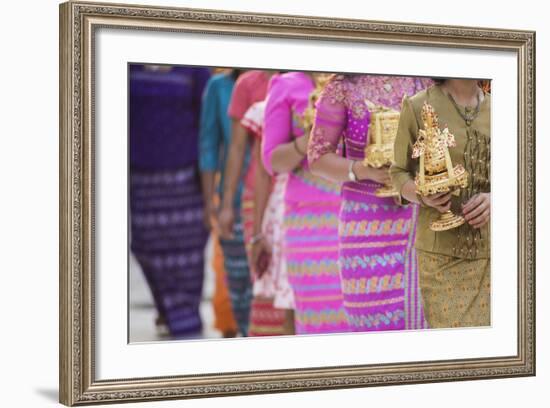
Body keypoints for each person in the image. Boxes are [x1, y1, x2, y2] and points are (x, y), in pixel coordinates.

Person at [308, 74, 432, 331]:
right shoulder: (342, 87)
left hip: (421, 218)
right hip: (366, 227)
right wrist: (364, 170)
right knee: (372, 327)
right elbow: (317, 158)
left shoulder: (424, 80)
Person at [390, 78, 491, 328]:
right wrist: (422, 193)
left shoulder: (509, 108)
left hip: (497, 253)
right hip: (441, 257)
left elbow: (527, 175)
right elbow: (398, 172)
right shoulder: (417, 106)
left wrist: (497, 199)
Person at [262, 72, 350, 334]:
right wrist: (310, 140)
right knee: (315, 317)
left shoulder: (358, 80)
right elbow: (272, 161)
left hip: (357, 214)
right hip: (307, 221)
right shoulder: (286, 86)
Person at [129, 64, 210, 336]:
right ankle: (165, 309)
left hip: (185, 179)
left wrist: (211, 188)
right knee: (144, 246)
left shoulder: (194, 70)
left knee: (188, 256)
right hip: (140, 178)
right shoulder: (128, 66)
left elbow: (207, 126)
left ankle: (185, 321)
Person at [217, 70, 275, 335]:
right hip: (255, 194)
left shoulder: (311, 80)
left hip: (298, 194)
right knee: (263, 274)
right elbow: (237, 148)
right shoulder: (248, 84)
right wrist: (227, 203)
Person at [198, 68, 248, 337]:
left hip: (277, 200)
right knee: (235, 283)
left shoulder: (283, 81)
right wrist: (211, 202)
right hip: (234, 198)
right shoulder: (219, 87)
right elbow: (208, 144)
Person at [240, 101, 294, 336]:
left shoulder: (338, 97)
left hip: (328, 209)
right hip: (284, 213)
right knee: (288, 301)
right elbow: (262, 172)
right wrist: (258, 235)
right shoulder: (273, 104)